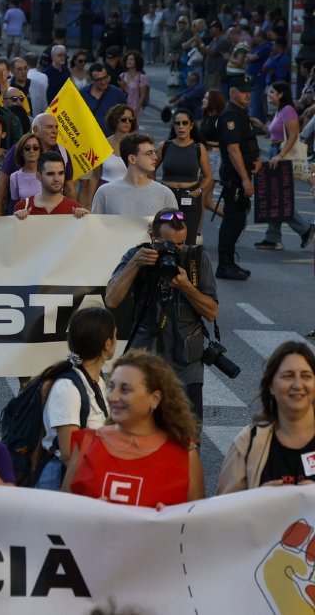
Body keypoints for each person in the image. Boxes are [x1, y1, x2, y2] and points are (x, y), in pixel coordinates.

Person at [105, 209, 219, 425]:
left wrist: (186, 287)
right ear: (153, 237)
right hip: (145, 362)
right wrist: (135, 264)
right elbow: (111, 300)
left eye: (180, 244)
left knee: (187, 441)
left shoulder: (195, 259)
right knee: (137, 433)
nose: (175, 251)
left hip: (186, 366)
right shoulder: (137, 256)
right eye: (168, 245)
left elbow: (212, 312)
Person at [61, 350, 203, 508]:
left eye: (125, 389)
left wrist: (168, 523)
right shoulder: (87, 444)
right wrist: (88, 514)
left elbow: (195, 525)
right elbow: (63, 517)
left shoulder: (185, 455)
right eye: (111, 386)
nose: (112, 397)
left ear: (154, 399)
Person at [31, 308, 117, 490]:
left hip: (87, 472)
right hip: (62, 479)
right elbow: (69, 453)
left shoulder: (98, 381)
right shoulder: (67, 388)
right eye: (115, 336)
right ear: (108, 344)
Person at [216, 341, 315, 492]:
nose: (297, 384)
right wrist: (259, 499)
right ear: (271, 386)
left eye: (306, 376)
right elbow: (222, 510)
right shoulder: (247, 444)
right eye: (288, 376)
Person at [257, 82, 315, 250]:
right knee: (275, 198)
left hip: (283, 155)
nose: (269, 96)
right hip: (275, 151)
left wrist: (280, 156)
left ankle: (304, 229)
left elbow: (294, 135)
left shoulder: (288, 110)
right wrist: (259, 125)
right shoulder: (280, 111)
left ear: (281, 94)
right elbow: (274, 132)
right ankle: (273, 237)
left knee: (278, 200)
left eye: (272, 93)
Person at [215, 77, 260, 281]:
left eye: (248, 90)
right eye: (242, 90)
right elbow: (233, 150)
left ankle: (230, 262)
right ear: (232, 92)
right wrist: (245, 179)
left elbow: (245, 145)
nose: (247, 94)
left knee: (238, 218)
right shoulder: (231, 115)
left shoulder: (241, 114)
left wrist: (255, 160)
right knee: (233, 220)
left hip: (241, 174)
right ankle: (224, 265)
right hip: (235, 177)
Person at [157, 108, 214, 245]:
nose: (181, 127)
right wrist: (156, 188)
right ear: (173, 126)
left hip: (190, 198)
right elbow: (150, 169)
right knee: (164, 239)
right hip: (167, 197)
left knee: (188, 242)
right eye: (178, 123)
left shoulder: (198, 148)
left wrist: (198, 191)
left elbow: (208, 177)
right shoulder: (164, 146)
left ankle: (186, 266)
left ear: (191, 125)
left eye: (185, 123)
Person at [90, 134, 177, 216]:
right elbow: (94, 226)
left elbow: (175, 228)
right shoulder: (105, 192)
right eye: (149, 153)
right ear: (132, 159)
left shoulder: (165, 194)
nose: (155, 157)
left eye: (154, 152)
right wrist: (83, 216)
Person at [13, 151, 89, 217]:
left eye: (61, 173)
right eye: (50, 174)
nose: (57, 178)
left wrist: (84, 219)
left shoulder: (74, 209)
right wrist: (17, 220)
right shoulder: (22, 207)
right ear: (38, 176)